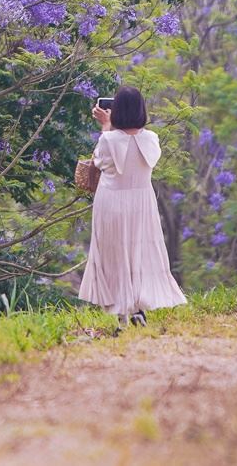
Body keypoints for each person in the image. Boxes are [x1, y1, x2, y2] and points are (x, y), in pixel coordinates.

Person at [78, 86, 187, 325]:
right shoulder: (151, 139)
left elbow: (99, 160)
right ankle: (138, 309)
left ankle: (123, 317)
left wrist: (107, 126)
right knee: (140, 253)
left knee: (115, 255)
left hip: (111, 202)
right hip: (142, 203)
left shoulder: (108, 139)